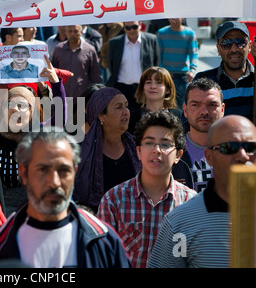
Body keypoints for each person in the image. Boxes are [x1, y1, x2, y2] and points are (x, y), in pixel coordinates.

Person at [0, 129, 132, 268]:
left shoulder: (104, 242)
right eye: (43, 170)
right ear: (23, 173)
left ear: (74, 172)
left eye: (63, 170)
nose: (54, 182)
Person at [148, 115, 256, 268]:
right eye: (229, 147)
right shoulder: (179, 223)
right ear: (209, 157)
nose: (243, 156)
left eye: (251, 147)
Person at [97, 110, 197, 268]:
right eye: (149, 142)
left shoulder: (192, 204)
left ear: (178, 155)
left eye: (165, 144)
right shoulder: (114, 200)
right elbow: (101, 259)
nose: (156, 150)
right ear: (138, 151)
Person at [0, 56, 66, 216]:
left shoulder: (39, 137)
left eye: (22, 105)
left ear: (32, 113)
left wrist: (55, 83)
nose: (16, 109)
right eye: (10, 104)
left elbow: (59, 120)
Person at [73, 87, 141, 213]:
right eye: (118, 107)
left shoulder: (138, 148)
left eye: (126, 106)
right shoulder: (81, 153)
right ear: (101, 116)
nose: (126, 111)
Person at [194, 21, 254, 122]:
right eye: (226, 43)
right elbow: (190, 122)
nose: (234, 49)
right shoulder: (202, 81)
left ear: (249, 46)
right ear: (218, 49)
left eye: (240, 42)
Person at [175, 78, 225, 192]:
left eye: (212, 104)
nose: (204, 112)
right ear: (185, 110)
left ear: (222, 109)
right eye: (195, 105)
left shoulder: (239, 151)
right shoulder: (171, 151)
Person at [107, 21, 160, 112]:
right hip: (123, 88)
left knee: (146, 118)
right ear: (124, 28)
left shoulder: (151, 39)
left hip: (144, 88)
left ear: (140, 25)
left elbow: (156, 62)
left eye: (134, 27)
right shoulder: (114, 42)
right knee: (125, 120)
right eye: (128, 27)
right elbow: (111, 65)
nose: (131, 30)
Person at [157, 18, 199, 110]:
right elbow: (158, 55)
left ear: (182, 18)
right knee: (163, 104)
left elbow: (194, 54)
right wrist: (159, 72)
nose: (174, 20)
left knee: (180, 106)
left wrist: (192, 70)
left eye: (177, 17)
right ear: (168, 19)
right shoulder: (162, 33)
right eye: (172, 18)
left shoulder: (190, 34)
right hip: (165, 74)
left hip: (182, 75)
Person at [51, 25, 102, 98]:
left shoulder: (89, 49)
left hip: (81, 96)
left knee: (79, 110)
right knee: (60, 110)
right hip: (61, 95)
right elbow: (53, 72)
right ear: (66, 32)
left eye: (75, 31)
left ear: (81, 32)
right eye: (70, 31)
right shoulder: (58, 49)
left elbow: (95, 75)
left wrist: (96, 94)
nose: (72, 34)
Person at [129, 66, 182, 135]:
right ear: (143, 88)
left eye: (159, 82)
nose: (153, 86)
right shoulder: (131, 118)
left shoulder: (179, 116)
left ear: (168, 89)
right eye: (148, 82)